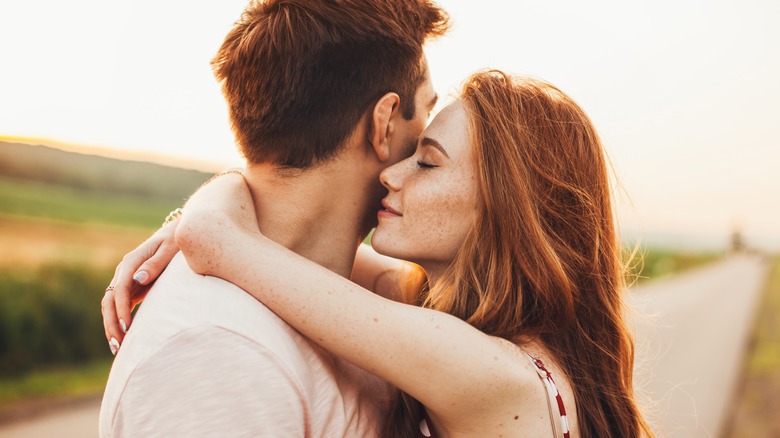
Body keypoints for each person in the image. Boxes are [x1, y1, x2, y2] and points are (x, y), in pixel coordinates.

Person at [104, 71, 656, 437]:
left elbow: (224, 245)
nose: (392, 173)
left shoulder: (487, 369)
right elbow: (287, 245)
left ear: (506, 209)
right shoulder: (461, 324)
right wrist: (199, 217)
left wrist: (192, 224)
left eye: (428, 163)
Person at [98, 0, 448, 436]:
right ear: (384, 122)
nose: (427, 139)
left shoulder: (349, 297)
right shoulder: (218, 354)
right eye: (427, 113)